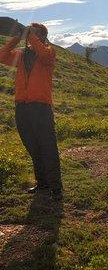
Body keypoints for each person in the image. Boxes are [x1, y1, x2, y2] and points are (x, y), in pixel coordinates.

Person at [0, 23, 62, 200]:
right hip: (22, 105)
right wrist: (17, 38)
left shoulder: (49, 52)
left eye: (33, 33)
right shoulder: (21, 53)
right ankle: (42, 183)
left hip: (41, 106)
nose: (29, 35)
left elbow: (43, 54)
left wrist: (31, 36)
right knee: (32, 145)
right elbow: (2, 55)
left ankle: (56, 186)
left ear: (41, 35)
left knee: (47, 146)